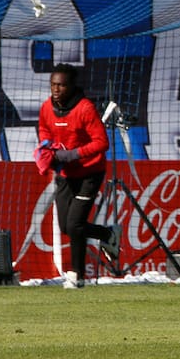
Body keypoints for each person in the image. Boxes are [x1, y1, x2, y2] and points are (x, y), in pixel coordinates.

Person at [36, 64, 119, 289]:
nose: (56, 89)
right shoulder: (46, 107)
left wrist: (73, 154)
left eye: (61, 85)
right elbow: (44, 128)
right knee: (66, 226)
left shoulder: (85, 109)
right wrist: (47, 147)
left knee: (75, 224)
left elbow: (102, 143)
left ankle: (76, 276)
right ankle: (106, 234)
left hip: (89, 174)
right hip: (65, 173)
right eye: (53, 84)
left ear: (72, 86)